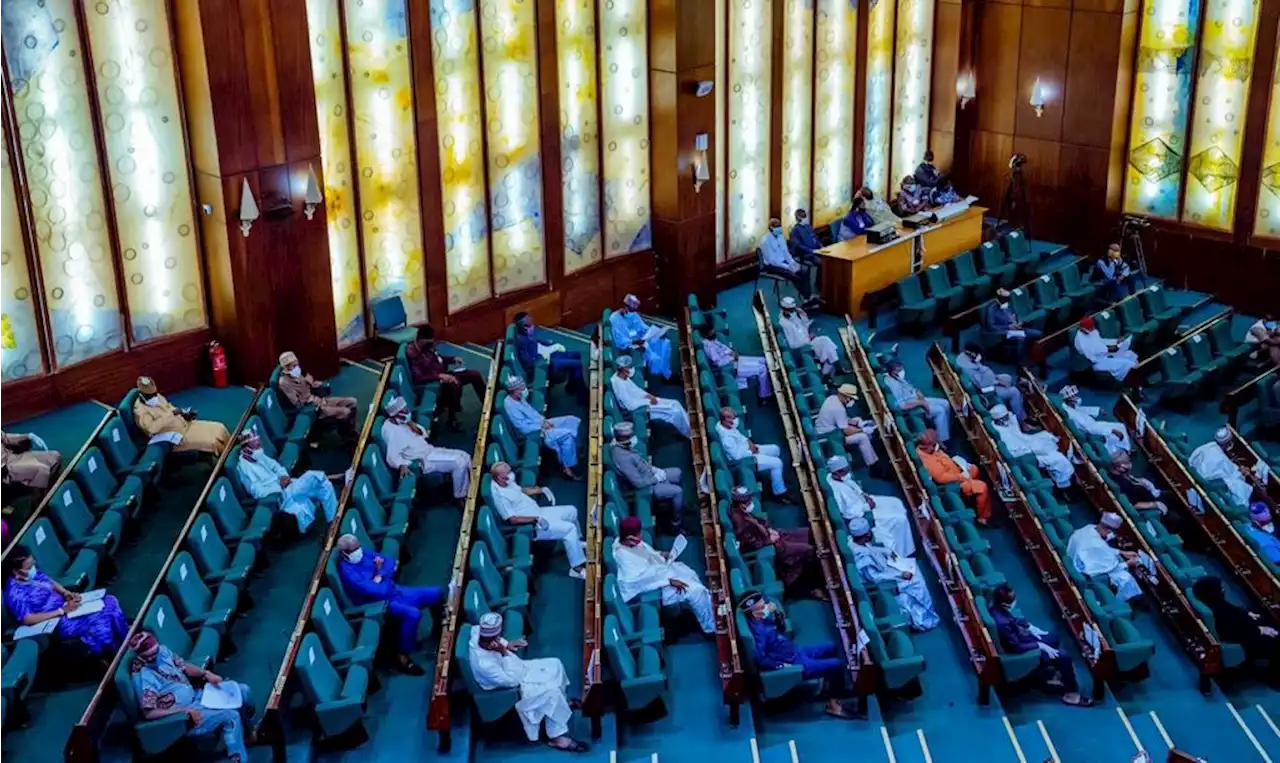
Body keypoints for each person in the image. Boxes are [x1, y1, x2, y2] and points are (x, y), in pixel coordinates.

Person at [127, 630, 254, 762]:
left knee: (243, 691)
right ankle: (238, 758)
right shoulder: (144, 677)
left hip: (197, 695)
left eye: (156, 652)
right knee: (231, 716)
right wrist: (184, 711)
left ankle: (250, 733)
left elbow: (183, 666)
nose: (156, 657)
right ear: (141, 657)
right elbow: (149, 713)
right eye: (151, 656)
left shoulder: (162, 651)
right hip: (185, 716)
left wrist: (206, 674)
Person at [468, 612, 588, 752]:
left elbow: (494, 638)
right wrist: (504, 652)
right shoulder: (485, 665)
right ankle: (556, 737)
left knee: (555, 664)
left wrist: (508, 644)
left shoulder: (477, 632)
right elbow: (513, 681)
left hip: (515, 668)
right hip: (511, 684)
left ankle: (558, 707)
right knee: (552, 692)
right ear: (490, 639)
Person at [335, 533, 442, 674]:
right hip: (380, 603)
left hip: (395, 590)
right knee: (413, 615)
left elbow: (390, 562)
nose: (358, 551)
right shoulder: (348, 573)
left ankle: (439, 631)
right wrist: (381, 572)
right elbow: (378, 591)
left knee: (436, 593)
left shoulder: (363, 552)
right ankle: (402, 656)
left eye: (358, 547)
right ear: (344, 553)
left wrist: (379, 575)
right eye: (354, 550)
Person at [738, 592, 857, 718]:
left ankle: (831, 688)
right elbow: (760, 659)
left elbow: (780, 628)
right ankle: (834, 706)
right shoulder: (758, 632)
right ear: (753, 611)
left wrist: (776, 613)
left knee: (831, 647)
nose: (766, 607)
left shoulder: (762, 618)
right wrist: (781, 666)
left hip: (793, 651)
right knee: (836, 665)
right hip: (792, 662)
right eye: (762, 607)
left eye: (765, 605)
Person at [2, 545, 128, 657]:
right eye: (29, 566)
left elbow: (50, 583)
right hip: (55, 621)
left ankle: (126, 641)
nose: (33, 567)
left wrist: (66, 593)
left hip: (67, 607)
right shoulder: (14, 593)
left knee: (110, 602)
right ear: (16, 572)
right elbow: (27, 618)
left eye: (33, 562)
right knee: (99, 622)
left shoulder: (33, 574)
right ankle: (115, 656)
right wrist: (61, 611)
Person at [988, 582, 1093, 707]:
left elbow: (1012, 619)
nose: (1015, 601)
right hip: (1019, 650)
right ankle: (1071, 693)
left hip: (1021, 639)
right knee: (1064, 657)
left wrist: (1028, 626)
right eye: (1013, 599)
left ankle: (1045, 672)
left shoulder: (995, 608)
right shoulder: (1002, 623)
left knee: (1053, 637)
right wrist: (1039, 645)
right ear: (1005, 603)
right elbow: (1015, 647)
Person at [613, 516, 715, 633]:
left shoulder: (625, 541)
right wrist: (668, 581)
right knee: (694, 590)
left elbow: (646, 554)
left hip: (658, 574)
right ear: (629, 538)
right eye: (637, 534)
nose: (640, 536)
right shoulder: (624, 559)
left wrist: (659, 554)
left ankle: (709, 604)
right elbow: (637, 580)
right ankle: (710, 626)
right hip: (654, 587)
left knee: (687, 571)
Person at [489, 461, 587, 579]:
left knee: (572, 511)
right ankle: (576, 569)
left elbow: (519, 491)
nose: (511, 474)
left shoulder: (506, 481)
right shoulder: (500, 497)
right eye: (507, 472)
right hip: (534, 525)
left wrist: (540, 490)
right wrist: (535, 519)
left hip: (538, 512)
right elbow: (512, 520)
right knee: (569, 529)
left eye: (510, 470)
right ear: (499, 477)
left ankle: (576, 542)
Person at [728, 487, 823, 599]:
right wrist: (770, 539)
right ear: (741, 505)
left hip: (771, 536)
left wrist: (769, 530)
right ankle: (797, 584)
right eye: (748, 501)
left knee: (808, 533)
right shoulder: (739, 522)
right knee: (809, 551)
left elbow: (759, 521)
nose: (751, 503)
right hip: (772, 546)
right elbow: (752, 544)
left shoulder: (743, 512)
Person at [234, 429, 338, 533]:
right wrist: (279, 486)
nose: (260, 448)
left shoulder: (258, 454)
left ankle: (333, 522)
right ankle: (333, 522)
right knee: (315, 477)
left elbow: (275, 466)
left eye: (259, 444)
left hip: (289, 485)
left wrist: (283, 475)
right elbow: (257, 492)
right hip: (281, 495)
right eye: (256, 446)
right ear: (247, 449)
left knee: (323, 484)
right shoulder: (244, 468)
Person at [847, 517, 938, 631]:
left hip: (884, 570)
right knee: (917, 582)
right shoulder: (863, 559)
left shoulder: (853, 541)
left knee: (909, 564)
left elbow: (869, 549)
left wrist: (887, 552)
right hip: (881, 582)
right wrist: (900, 575)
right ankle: (924, 620)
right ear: (865, 536)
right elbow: (875, 578)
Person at [381, 396, 472, 500]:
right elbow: (392, 457)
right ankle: (461, 495)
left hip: (429, 450)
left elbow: (424, 435)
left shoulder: (404, 422)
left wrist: (412, 425)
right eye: (404, 411)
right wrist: (402, 464)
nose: (407, 412)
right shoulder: (390, 431)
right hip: (424, 460)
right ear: (396, 415)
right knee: (459, 462)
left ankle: (471, 488)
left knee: (465, 456)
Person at [826, 455, 914, 557]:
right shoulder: (837, 489)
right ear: (837, 472)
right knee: (900, 519)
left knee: (896, 502)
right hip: (862, 513)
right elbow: (848, 512)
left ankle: (902, 540)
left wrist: (864, 495)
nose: (848, 472)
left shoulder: (837, 476)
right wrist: (867, 506)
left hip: (863, 501)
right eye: (845, 470)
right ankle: (901, 552)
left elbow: (851, 484)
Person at [405, 325, 487, 432]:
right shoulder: (413, 353)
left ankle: (486, 404)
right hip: (433, 381)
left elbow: (438, 359)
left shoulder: (427, 346)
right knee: (454, 385)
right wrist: (439, 376)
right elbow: (419, 377)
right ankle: (452, 419)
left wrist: (452, 359)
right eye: (430, 342)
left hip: (442, 374)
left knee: (474, 375)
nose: (433, 344)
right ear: (421, 340)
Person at [608, 422, 685, 534]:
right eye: (630, 435)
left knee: (677, 472)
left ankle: (672, 505)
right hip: (646, 487)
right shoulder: (622, 457)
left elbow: (640, 462)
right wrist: (657, 479)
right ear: (624, 438)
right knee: (678, 491)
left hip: (649, 475)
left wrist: (654, 469)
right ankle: (675, 526)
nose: (634, 437)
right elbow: (638, 483)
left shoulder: (624, 446)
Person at [503, 375, 582, 480]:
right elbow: (522, 427)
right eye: (521, 389)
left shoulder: (519, 397)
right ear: (513, 391)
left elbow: (532, 412)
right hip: (534, 433)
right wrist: (542, 426)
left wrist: (543, 421)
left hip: (540, 424)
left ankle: (573, 452)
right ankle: (569, 467)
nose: (524, 391)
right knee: (566, 435)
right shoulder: (510, 405)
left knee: (571, 420)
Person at [1191, 576, 1280, 668]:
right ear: (1216, 592)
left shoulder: (1212, 602)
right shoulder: (1221, 611)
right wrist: (1259, 630)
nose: (1223, 589)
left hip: (1244, 626)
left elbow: (1233, 611)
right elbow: (1235, 631)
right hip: (1243, 638)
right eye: (1221, 588)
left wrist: (1248, 614)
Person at [132, 376, 231, 456]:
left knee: (220, 428)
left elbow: (169, 406)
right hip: (177, 436)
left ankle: (234, 450)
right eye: (150, 396)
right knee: (213, 442)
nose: (154, 397)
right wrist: (171, 414)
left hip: (185, 423)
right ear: (141, 395)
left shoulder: (156, 396)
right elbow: (152, 429)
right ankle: (226, 463)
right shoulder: (141, 412)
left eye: (155, 394)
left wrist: (183, 413)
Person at [916, 429, 992, 525]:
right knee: (982, 487)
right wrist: (962, 477)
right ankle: (982, 518)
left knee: (974, 469)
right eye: (934, 443)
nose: (937, 444)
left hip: (956, 472)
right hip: (952, 484)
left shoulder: (929, 450)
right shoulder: (926, 460)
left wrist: (959, 464)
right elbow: (941, 478)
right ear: (929, 445)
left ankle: (971, 499)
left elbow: (942, 457)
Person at [990, 404, 1074, 489]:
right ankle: (1062, 485)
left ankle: (1059, 478)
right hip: (1024, 455)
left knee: (1046, 436)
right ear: (1000, 420)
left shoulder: (1004, 422)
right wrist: (1036, 448)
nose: (1009, 417)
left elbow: (1014, 424)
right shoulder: (1001, 433)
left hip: (1027, 443)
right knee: (1058, 458)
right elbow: (1014, 450)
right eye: (1006, 417)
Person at [1066, 513, 1143, 602]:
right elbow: (1112, 568)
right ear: (1109, 530)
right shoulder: (1099, 545)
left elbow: (1101, 548)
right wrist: (1128, 563)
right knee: (1126, 578)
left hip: (1073, 559)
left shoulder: (1089, 527)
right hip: (1086, 574)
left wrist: (1122, 552)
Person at [716, 407, 789, 500]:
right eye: (732, 419)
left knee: (775, 449)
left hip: (748, 449)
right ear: (725, 419)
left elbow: (742, 437)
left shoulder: (726, 425)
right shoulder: (726, 439)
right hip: (744, 460)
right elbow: (736, 457)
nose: (735, 421)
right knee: (777, 463)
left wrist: (751, 444)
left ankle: (775, 476)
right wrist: (752, 451)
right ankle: (779, 493)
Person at [513, 312, 587, 404]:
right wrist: (546, 354)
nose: (533, 325)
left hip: (548, 355)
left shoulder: (526, 334)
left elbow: (538, 343)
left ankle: (572, 387)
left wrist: (551, 346)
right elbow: (530, 362)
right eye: (530, 323)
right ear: (525, 328)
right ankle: (582, 396)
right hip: (546, 364)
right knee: (577, 364)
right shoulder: (522, 343)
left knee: (577, 354)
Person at [609, 356, 690, 438]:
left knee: (675, 402)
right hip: (640, 408)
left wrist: (649, 396)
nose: (629, 371)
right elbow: (630, 405)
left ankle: (689, 424)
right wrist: (647, 402)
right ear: (623, 369)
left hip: (644, 401)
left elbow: (636, 390)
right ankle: (688, 433)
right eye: (628, 368)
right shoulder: (618, 384)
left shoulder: (622, 376)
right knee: (674, 411)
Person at [276, 351, 357, 431]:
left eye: (297, 364)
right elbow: (298, 404)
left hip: (318, 399)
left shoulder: (297, 372)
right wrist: (312, 402)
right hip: (313, 407)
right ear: (286, 368)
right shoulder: (284, 383)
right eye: (294, 366)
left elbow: (308, 384)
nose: (297, 368)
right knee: (345, 411)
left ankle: (350, 429)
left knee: (352, 402)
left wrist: (312, 384)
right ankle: (348, 437)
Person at [699, 324, 772, 403]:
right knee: (762, 369)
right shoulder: (708, 346)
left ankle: (766, 384)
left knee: (763, 360)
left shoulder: (712, 339)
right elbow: (719, 363)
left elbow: (723, 348)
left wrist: (732, 352)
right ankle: (764, 396)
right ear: (705, 335)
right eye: (711, 332)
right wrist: (732, 357)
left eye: (713, 331)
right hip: (731, 366)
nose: (713, 333)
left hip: (735, 360)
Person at [882, 359, 952, 442]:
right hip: (913, 406)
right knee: (940, 411)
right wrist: (921, 403)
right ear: (893, 372)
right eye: (899, 370)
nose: (902, 372)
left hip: (915, 398)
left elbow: (910, 388)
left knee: (945, 403)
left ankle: (942, 428)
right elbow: (902, 406)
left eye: (901, 369)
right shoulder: (894, 385)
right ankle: (943, 440)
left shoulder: (894, 376)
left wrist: (919, 394)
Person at [1189, 427, 1257, 510]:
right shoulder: (1220, 459)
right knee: (1241, 487)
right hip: (1214, 485)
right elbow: (1230, 477)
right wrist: (1242, 473)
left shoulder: (1206, 447)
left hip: (1199, 477)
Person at [955, 342, 1025, 423]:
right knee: (1014, 391)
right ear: (973, 354)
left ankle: (1020, 409)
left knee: (1008, 378)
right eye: (978, 354)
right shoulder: (968, 369)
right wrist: (997, 382)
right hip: (986, 393)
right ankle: (1021, 421)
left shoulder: (963, 358)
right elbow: (982, 385)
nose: (980, 356)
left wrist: (997, 380)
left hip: (987, 382)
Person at [609, 294, 674, 379]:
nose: (632, 312)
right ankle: (655, 373)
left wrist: (656, 332)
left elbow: (642, 327)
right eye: (631, 309)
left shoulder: (633, 315)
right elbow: (619, 340)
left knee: (664, 343)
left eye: (633, 310)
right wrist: (634, 342)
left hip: (639, 340)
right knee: (651, 353)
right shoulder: (615, 318)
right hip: (626, 346)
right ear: (624, 306)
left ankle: (664, 373)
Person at [813, 384, 879, 468]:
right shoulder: (838, 409)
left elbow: (843, 419)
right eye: (850, 398)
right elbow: (846, 431)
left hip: (829, 430)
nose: (850, 400)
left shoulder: (832, 398)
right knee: (863, 437)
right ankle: (873, 465)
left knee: (858, 419)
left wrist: (857, 423)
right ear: (845, 396)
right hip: (830, 437)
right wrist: (862, 430)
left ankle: (866, 451)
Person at [778, 297, 841, 379]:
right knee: (826, 343)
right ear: (785, 309)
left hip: (807, 340)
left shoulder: (793, 316)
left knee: (827, 347)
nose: (793, 311)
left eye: (793, 309)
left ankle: (829, 374)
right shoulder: (785, 324)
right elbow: (793, 344)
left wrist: (803, 315)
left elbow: (804, 326)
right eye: (791, 310)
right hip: (802, 347)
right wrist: (808, 339)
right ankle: (832, 371)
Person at [1060, 385, 1130, 456]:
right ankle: (1114, 453)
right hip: (1092, 428)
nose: (1076, 397)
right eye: (1073, 396)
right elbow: (1089, 428)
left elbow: (1082, 410)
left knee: (1121, 426)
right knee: (1114, 432)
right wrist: (1111, 430)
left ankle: (1125, 449)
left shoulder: (1071, 406)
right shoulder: (1072, 415)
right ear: (1068, 399)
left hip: (1094, 424)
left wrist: (1098, 410)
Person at [760, 217, 816, 304]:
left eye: (780, 226)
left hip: (783, 262)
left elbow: (786, 253)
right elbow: (772, 260)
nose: (779, 228)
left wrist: (792, 263)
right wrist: (787, 267)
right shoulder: (765, 241)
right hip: (772, 266)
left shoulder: (781, 237)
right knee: (794, 276)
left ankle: (808, 296)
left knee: (803, 271)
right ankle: (807, 297)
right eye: (777, 226)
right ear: (771, 227)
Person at [983, 290, 1042, 367]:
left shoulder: (1010, 306)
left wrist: (1019, 323)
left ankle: (1037, 359)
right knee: (1022, 339)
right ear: (998, 299)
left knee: (1038, 333)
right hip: (1005, 333)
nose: (1006, 301)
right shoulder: (992, 310)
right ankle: (1022, 365)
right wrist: (1008, 327)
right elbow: (992, 327)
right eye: (1004, 299)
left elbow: (1017, 315)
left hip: (1017, 329)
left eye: (1007, 299)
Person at [1073, 316, 1137, 382]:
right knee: (1127, 363)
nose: (1093, 329)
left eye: (1093, 327)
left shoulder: (1092, 331)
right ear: (1083, 329)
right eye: (1090, 328)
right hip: (1097, 362)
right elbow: (1091, 353)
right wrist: (1108, 349)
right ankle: (1130, 384)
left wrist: (1116, 341)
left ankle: (1136, 379)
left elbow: (1101, 341)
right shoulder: (1080, 341)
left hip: (1106, 354)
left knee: (1130, 355)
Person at [1108, 452, 1169, 518]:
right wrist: (1155, 504)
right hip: (1150, 504)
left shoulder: (1121, 474)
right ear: (1118, 467)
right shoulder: (1121, 484)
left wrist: (1141, 481)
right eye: (1127, 463)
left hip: (1153, 495)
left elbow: (1132, 480)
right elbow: (1132, 504)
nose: (1129, 464)